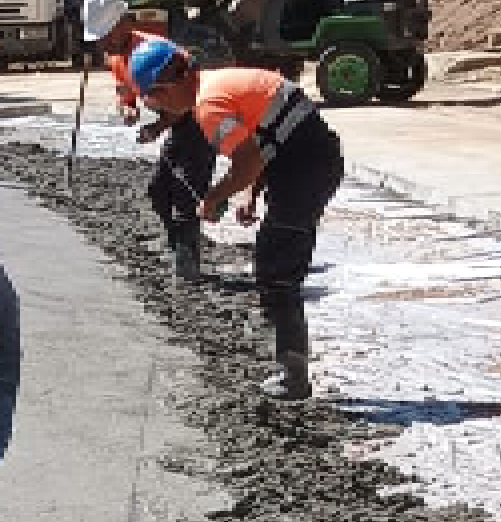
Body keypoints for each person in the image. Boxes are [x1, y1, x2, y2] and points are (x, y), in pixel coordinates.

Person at [132, 44, 344, 400]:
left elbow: (249, 159)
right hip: (304, 161)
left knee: (277, 268)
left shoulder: (208, 106)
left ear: (164, 89)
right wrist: (250, 194)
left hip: (306, 168)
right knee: (277, 261)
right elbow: (267, 138)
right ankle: (291, 367)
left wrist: (215, 197)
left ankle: (293, 375)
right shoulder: (218, 85)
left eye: (152, 101)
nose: (158, 110)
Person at [81, 0, 212, 282]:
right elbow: (124, 88)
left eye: (106, 35)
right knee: (159, 190)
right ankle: (178, 246)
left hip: (200, 121)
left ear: (124, 23)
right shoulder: (117, 57)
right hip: (177, 122)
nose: (103, 43)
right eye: (99, 38)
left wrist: (158, 127)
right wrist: (127, 106)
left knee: (186, 193)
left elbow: (188, 98)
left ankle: (188, 264)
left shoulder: (158, 51)